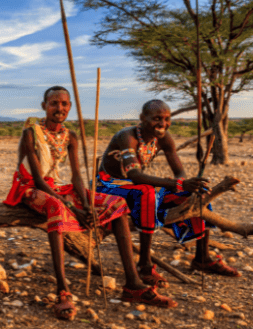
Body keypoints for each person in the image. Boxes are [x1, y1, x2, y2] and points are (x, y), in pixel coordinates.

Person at [4, 87, 176, 320]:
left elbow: (76, 176)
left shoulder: (70, 136)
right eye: (54, 103)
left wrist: (86, 205)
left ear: (70, 106)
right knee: (57, 207)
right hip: (31, 187)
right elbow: (38, 179)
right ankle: (62, 290)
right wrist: (73, 208)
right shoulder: (31, 133)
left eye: (64, 104)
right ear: (44, 106)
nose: (60, 108)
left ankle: (133, 284)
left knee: (116, 203)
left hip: (59, 186)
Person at [97, 99, 240, 288]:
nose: (162, 124)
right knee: (146, 192)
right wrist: (177, 183)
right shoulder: (127, 136)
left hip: (134, 186)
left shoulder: (164, 138)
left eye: (166, 119)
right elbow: (135, 175)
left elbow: (179, 173)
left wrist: (183, 186)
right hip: (108, 185)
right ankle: (145, 265)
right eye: (157, 118)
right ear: (142, 118)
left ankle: (202, 257)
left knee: (196, 194)